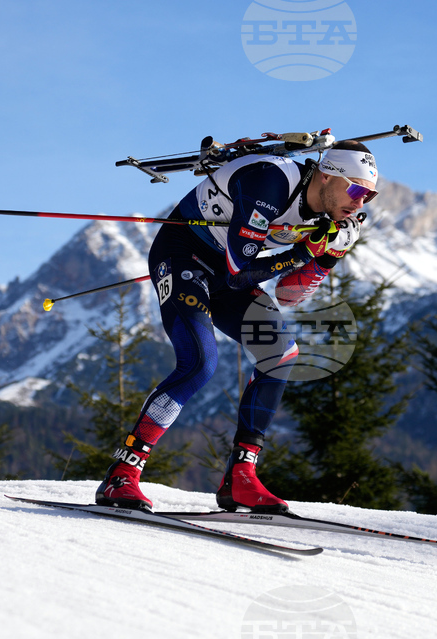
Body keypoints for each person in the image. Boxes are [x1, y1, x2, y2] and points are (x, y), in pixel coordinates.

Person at [95, 140, 379, 514]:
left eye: (370, 196)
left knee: (281, 354)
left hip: (230, 270)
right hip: (185, 252)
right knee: (199, 363)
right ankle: (123, 473)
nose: (361, 203)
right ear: (328, 176)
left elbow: (291, 293)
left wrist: (326, 255)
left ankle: (241, 477)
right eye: (357, 190)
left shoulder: (345, 224)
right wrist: (302, 252)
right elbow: (237, 274)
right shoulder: (271, 181)